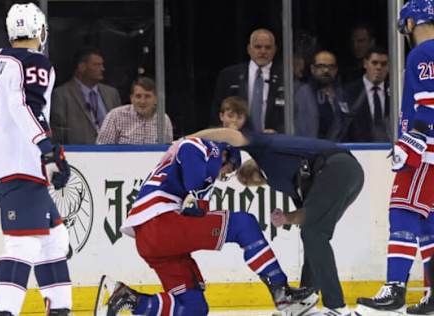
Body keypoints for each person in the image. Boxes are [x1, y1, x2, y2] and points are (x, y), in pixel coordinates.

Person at [95, 138, 318, 316]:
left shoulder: (191, 159)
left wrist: (197, 200)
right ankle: (281, 290)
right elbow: (189, 149)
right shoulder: (206, 147)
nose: (222, 175)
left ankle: (128, 299)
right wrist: (199, 198)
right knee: (244, 224)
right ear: (225, 154)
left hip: (149, 241)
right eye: (227, 170)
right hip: (160, 223)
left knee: (194, 308)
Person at [187, 127, 364, 316]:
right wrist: (287, 217)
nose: (248, 180)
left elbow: (230, 135)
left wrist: (190, 139)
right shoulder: (283, 183)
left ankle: (336, 306)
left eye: (244, 176)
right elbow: (306, 215)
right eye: (246, 183)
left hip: (337, 166)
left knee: (313, 233)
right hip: (348, 175)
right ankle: (304, 301)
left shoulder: (263, 149)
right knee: (312, 235)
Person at [0, 3, 72, 315]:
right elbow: (26, 107)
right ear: (41, 31)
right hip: (20, 167)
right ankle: (4, 311)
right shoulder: (35, 62)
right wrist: (48, 150)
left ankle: (59, 309)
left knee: (56, 238)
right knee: (24, 244)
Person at [355, 1, 434, 315]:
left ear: (412, 23)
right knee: (429, 223)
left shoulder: (423, 53)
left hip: (426, 153)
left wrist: (411, 143)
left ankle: (395, 289)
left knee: (402, 211)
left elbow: (429, 104)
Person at [211, 28, 284, 133]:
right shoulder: (229, 75)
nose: (263, 51)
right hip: (236, 139)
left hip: (273, 141)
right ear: (249, 49)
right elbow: (217, 110)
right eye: (258, 47)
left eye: (268, 47)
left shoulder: (284, 78)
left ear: (274, 50)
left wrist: (278, 131)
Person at [50, 46, 121, 144]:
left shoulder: (112, 94)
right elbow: (58, 133)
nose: (102, 69)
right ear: (82, 67)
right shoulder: (61, 95)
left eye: (102, 65)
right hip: (78, 154)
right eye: (96, 65)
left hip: (112, 154)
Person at [96, 77, 173, 144]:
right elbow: (101, 150)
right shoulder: (115, 116)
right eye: (138, 96)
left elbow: (168, 153)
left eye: (147, 96)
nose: (142, 101)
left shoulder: (164, 119)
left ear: (156, 99)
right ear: (132, 98)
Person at [294, 50, 350, 141]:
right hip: (308, 149)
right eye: (321, 66)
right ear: (312, 69)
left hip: (338, 150)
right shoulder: (301, 93)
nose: (326, 70)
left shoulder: (343, 94)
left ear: (336, 70)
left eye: (330, 66)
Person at [345, 46, 391, 142]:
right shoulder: (349, 92)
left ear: (388, 67)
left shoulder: (395, 92)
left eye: (383, 64)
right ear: (365, 64)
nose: (379, 67)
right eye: (374, 63)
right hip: (358, 149)